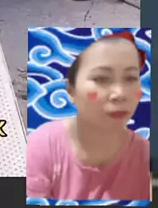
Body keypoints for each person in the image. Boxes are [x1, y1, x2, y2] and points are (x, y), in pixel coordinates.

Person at [26, 31, 150, 202]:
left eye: (130, 78)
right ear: (71, 90)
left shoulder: (145, 156)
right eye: (101, 78)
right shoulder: (43, 146)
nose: (120, 94)